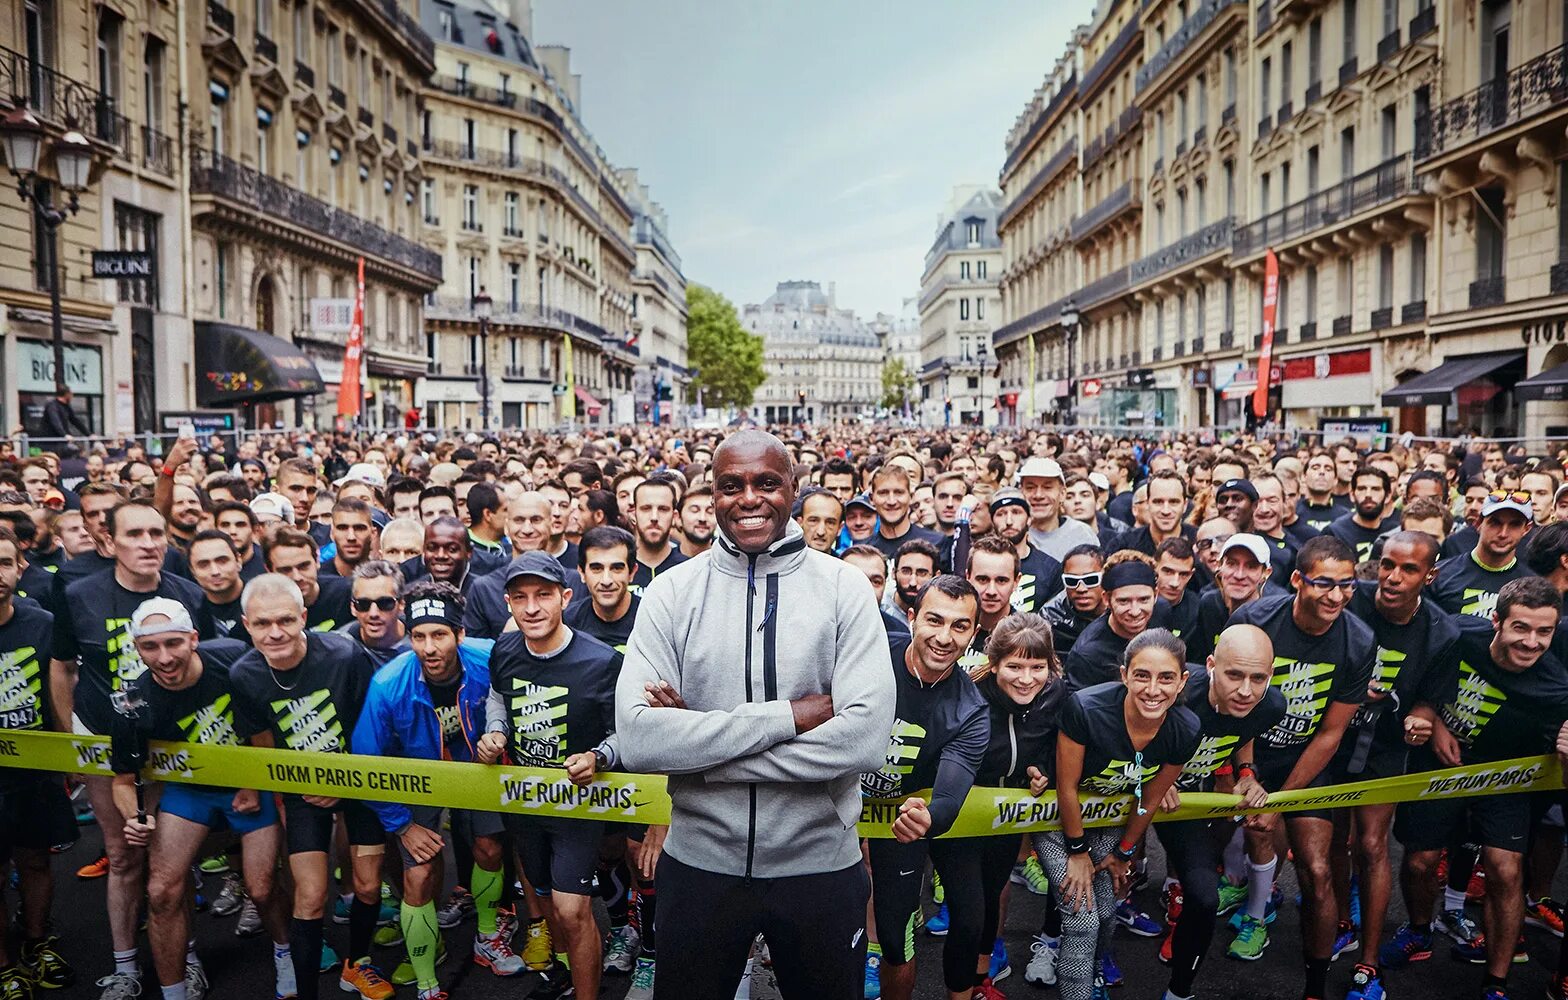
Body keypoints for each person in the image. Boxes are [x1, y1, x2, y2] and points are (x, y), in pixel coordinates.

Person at [615, 429, 893, 1000]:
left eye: (766, 483)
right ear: (711, 494)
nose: (749, 498)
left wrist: (698, 746)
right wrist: (791, 716)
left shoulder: (844, 590)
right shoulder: (670, 593)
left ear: (792, 488)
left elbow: (863, 740)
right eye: (730, 485)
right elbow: (640, 739)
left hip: (819, 866)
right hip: (698, 866)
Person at [1383, 578, 1568, 1000]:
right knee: (1419, 862)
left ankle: (1497, 983)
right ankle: (1417, 930)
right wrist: (1436, 726)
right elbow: (1416, 681)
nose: (1532, 642)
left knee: (1505, 869)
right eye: (1521, 628)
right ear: (1496, 622)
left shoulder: (1557, 688)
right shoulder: (1456, 633)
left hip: (1506, 780)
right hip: (1441, 766)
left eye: (1545, 632)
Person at [48, 499, 204, 998]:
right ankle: (124, 965)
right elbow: (60, 664)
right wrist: (71, 736)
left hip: (172, 743)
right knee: (121, 855)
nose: (149, 543)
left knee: (173, 865)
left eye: (156, 533)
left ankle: (185, 955)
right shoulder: (78, 593)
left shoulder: (188, 594)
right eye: (134, 534)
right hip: (103, 741)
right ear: (108, 542)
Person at [111, 598, 289, 1000]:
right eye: (151, 647)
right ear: (136, 649)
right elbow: (123, 782)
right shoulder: (130, 703)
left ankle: (285, 951)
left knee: (261, 888)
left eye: (174, 643)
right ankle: (174, 992)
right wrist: (134, 817)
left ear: (193, 639)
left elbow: (264, 733)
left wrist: (251, 781)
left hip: (248, 780)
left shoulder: (233, 660)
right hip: (190, 792)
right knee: (160, 891)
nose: (165, 657)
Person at [352, 582, 523, 1000]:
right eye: (419, 636)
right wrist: (402, 824)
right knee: (420, 873)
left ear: (460, 635)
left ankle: (487, 936)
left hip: (476, 767)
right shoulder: (388, 683)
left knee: (489, 848)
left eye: (440, 634)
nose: (429, 647)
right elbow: (365, 761)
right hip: (417, 774)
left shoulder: (489, 658)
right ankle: (428, 983)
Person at [1224, 536, 1376, 999]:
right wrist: (1249, 777)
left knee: (1317, 869)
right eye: (1324, 583)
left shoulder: (1359, 640)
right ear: (1297, 581)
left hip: (1309, 759)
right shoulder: (1254, 620)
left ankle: (1314, 986)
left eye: (1346, 585)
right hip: (1251, 751)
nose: (1336, 596)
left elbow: (1331, 733)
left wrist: (1282, 798)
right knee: (1254, 836)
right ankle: (1256, 909)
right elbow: (1236, 705)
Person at [227, 573, 387, 1000]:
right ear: (246, 625)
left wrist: (343, 779)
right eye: (262, 624)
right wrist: (286, 795)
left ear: (304, 617)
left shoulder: (343, 654)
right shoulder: (244, 675)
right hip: (301, 790)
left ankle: (357, 964)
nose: (275, 632)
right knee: (311, 896)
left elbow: (369, 728)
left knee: (369, 885)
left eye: (285, 620)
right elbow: (265, 754)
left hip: (358, 775)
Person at [477, 551, 622, 1000]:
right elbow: (498, 698)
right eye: (520, 598)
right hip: (525, 801)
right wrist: (495, 731)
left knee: (573, 909)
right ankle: (564, 974)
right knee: (546, 903)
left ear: (565, 597)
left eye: (543, 595)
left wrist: (598, 756)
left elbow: (628, 733)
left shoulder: (600, 661)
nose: (532, 607)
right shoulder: (504, 649)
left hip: (578, 804)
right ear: (507, 603)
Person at [1034, 629, 1200, 1000]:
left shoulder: (1185, 728)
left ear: (1182, 681)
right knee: (1082, 915)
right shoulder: (1086, 709)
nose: (1153, 689)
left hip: (1108, 819)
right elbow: (1067, 788)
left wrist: (1124, 853)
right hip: (1056, 819)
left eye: (1166, 677)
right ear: (1124, 674)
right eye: (1142, 675)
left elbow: (1152, 798)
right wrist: (1076, 852)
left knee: (1107, 909)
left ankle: (1092, 977)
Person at [1336, 532, 1463, 1000]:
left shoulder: (1442, 632)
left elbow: (1430, 701)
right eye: (1388, 564)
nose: (1392, 577)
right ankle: (1341, 923)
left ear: (1429, 576)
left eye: (1408, 569)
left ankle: (1368, 966)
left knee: (1371, 845)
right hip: (1331, 737)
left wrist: (1421, 721)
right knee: (1332, 841)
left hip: (1386, 747)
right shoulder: (1351, 601)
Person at [860, 575, 990, 1000]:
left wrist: (928, 818)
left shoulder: (970, 710)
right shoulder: (869, 654)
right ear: (912, 618)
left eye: (959, 626)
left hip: (901, 819)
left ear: (973, 634)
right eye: (935, 620)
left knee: (895, 938)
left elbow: (951, 794)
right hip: (834, 805)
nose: (944, 637)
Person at [1156, 624, 1284, 1000]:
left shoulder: (1270, 704)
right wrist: (1149, 779)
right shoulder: (1177, 691)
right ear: (1211, 665)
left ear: (1271, 675)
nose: (1246, 690)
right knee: (1094, 885)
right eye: (1234, 675)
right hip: (1134, 788)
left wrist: (1246, 773)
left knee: (1205, 896)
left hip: (1187, 800)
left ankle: (1179, 993)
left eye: (1257, 678)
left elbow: (1243, 728)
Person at [960, 614, 1066, 995]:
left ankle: (980, 982)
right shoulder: (968, 695)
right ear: (994, 663)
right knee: (969, 909)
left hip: (1009, 819)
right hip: (964, 818)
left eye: (1037, 667)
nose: (1026, 679)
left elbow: (1063, 747)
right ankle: (962, 985)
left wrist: (1044, 774)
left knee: (991, 896)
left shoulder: (1055, 693)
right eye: (1014, 666)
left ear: (1050, 665)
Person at [0, 524, 75, 997]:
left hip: (36, 771)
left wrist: (69, 754)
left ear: (19, 568)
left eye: (3, 563)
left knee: (35, 863)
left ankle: (36, 942)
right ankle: (4, 966)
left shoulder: (41, 623)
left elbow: (61, 693)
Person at [1063, 553, 1169, 691]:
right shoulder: (1087, 654)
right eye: (1124, 601)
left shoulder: (1161, 611)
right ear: (1106, 599)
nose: (1135, 611)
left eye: (1144, 600)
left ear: (1155, 595)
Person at [1430, 491, 1537, 620]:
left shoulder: (1533, 587)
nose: (1503, 533)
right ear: (1479, 523)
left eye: (1514, 525)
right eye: (1495, 522)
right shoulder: (1441, 575)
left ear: (1527, 529)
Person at [263, 528, 354, 632]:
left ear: (317, 561)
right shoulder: (262, 606)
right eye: (285, 570)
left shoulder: (347, 593)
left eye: (303, 566)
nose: (297, 577)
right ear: (269, 571)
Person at [565, 526, 639, 653]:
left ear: (632, 572)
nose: (606, 580)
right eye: (596, 568)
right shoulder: (567, 622)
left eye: (616, 568)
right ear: (582, 573)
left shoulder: (651, 620)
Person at [988, 488, 1062, 614]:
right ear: (992, 521)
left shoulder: (1050, 568)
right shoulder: (981, 564)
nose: (1009, 521)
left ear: (1029, 518)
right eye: (1001, 514)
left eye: (1016, 512)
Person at [1018, 458, 1099, 562]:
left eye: (1047, 487)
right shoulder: (1013, 534)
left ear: (1062, 494)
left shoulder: (1081, 535)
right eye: (1030, 488)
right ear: (1021, 492)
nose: (1038, 495)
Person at [1325, 467, 1401, 564]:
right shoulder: (1335, 532)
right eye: (1362, 488)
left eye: (1375, 489)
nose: (1368, 494)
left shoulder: (1394, 533)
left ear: (1387, 496)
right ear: (1352, 495)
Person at [866, 464, 943, 560]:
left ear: (911, 497)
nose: (891, 501)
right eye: (883, 493)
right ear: (871, 499)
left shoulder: (936, 542)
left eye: (899, 492)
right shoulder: (865, 552)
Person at [343, 561, 412, 665]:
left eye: (384, 603)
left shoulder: (422, 644)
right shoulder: (340, 648)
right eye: (363, 604)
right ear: (353, 607)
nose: (373, 613)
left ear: (401, 604)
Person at [1044, 545, 1108, 656]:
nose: (1081, 589)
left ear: (1106, 577)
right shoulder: (1050, 617)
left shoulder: (1122, 608)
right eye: (1071, 581)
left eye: (1090, 579)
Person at [629, 479, 686, 594]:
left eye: (663, 509)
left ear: (674, 516)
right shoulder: (618, 568)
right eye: (646, 508)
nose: (654, 517)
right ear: (634, 515)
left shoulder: (688, 570)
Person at [187, 529, 246, 639]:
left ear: (238, 561)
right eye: (203, 565)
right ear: (192, 571)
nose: (215, 571)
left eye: (222, 561)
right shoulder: (188, 611)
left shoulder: (261, 598)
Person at [843, 543, 911, 635]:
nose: (866, 589)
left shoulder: (898, 633)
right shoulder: (819, 625)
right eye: (855, 579)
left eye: (876, 582)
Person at [794, 487, 844, 555]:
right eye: (813, 521)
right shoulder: (782, 563)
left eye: (830, 523)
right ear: (800, 523)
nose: (821, 532)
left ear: (840, 528)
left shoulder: (846, 565)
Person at [677, 486, 716, 558]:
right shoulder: (665, 565)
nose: (702, 518)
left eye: (710, 511)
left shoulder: (726, 563)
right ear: (678, 518)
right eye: (694, 510)